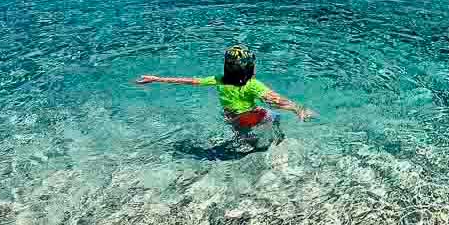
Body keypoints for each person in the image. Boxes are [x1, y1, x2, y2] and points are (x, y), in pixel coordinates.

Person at [135, 45, 315, 146]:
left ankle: (253, 147)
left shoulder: (219, 79)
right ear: (250, 67)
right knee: (275, 117)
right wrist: (298, 109)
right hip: (254, 115)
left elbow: (190, 81)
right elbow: (276, 100)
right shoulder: (253, 84)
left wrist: (157, 79)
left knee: (247, 140)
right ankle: (279, 142)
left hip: (233, 119)